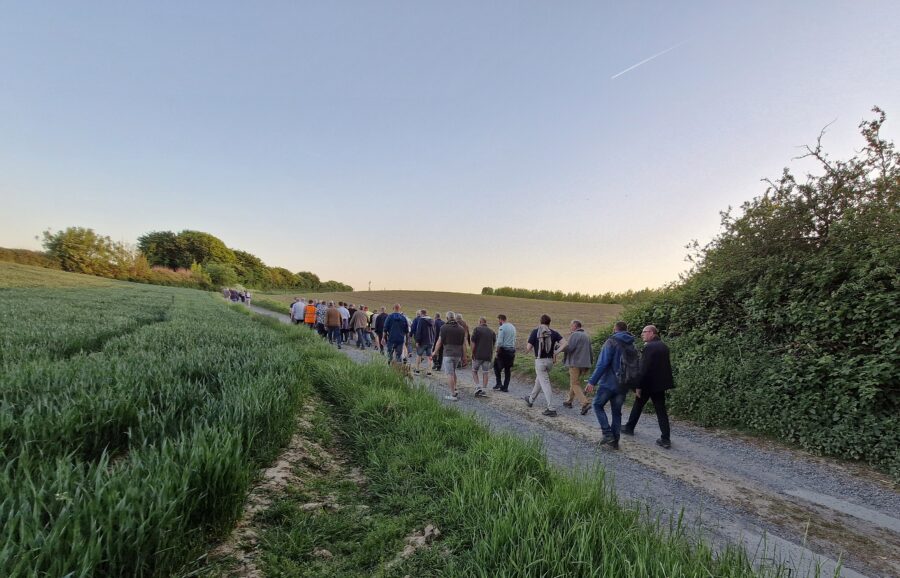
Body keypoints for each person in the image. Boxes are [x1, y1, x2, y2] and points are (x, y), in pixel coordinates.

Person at [621, 325, 674, 449]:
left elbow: (643, 369)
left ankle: (629, 427)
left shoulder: (649, 347)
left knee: (639, 404)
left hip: (648, 384)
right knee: (660, 411)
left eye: (644, 332)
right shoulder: (663, 346)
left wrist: (638, 386)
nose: (642, 334)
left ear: (651, 333)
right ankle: (665, 438)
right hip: (660, 385)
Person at [586, 321, 636, 450]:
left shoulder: (611, 341)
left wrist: (592, 381)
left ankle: (607, 434)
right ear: (626, 330)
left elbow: (602, 364)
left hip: (608, 382)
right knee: (616, 412)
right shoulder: (631, 344)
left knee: (597, 405)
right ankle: (615, 441)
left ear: (615, 329)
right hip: (624, 384)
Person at [523, 315, 563, 417]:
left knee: (545, 384)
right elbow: (565, 343)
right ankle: (531, 399)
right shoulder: (553, 333)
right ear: (549, 322)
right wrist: (556, 352)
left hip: (540, 361)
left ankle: (551, 408)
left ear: (540, 322)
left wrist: (528, 346)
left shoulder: (536, 332)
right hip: (550, 362)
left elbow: (528, 349)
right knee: (539, 380)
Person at [557, 319, 593, 415]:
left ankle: (585, 403)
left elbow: (569, 348)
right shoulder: (586, 335)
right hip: (584, 364)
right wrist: (590, 363)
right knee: (574, 382)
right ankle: (569, 401)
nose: (570, 327)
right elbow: (590, 351)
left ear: (575, 326)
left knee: (575, 384)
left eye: (571, 325)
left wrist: (558, 347)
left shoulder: (575, 335)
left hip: (575, 363)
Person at [433, 312, 467, 401]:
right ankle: (455, 388)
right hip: (458, 354)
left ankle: (452, 394)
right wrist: (464, 356)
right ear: (454, 318)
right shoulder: (461, 329)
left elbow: (439, 342)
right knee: (453, 371)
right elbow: (464, 344)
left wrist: (435, 352)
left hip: (448, 353)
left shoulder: (444, 328)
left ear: (447, 318)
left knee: (450, 374)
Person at [470, 317, 496, 397]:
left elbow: (473, 342)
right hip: (488, 355)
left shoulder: (477, 329)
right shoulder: (492, 331)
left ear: (480, 322)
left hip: (478, 355)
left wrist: (472, 352)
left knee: (474, 371)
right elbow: (494, 344)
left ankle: (478, 387)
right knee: (485, 372)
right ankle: (484, 389)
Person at [492, 314, 516, 392]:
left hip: (503, 351)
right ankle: (505, 387)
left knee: (496, 366)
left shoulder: (502, 328)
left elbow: (500, 342)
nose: (498, 322)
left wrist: (497, 352)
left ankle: (499, 383)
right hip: (511, 350)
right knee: (507, 369)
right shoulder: (513, 327)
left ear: (501, 319)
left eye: (498, 320)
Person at [413, 309, 435, 375]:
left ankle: (417, 370)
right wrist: (433, 340)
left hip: (422, 342)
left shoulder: (421, 320)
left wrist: (417, 341)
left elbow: (419, 331)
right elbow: (434, 331)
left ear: (421, 313)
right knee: (429, 357)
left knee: (419, 355)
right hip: (430, 341)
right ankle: (429, 371)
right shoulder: (432, 320)